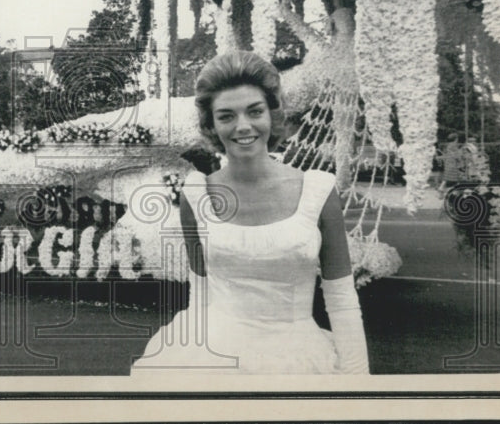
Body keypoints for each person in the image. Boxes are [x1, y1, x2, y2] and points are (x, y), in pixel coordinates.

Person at [132, 51, 370, 374]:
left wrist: (359, 386)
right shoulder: (196, 194)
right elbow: (200, 295)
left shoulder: (318, 191)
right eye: (226, 116)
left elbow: (341, 299)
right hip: (212, 359)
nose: (243, 126)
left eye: (254, 111)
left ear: (272, 115)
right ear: (212, 126)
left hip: (298, 359)